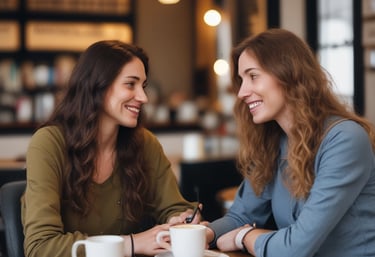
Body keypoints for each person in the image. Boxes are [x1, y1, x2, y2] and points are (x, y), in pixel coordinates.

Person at [21, 40, 200, 257]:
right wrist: (130, 244)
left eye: (142, 86)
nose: (143, 97)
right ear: (98, 84)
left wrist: (179, 221)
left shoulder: (144, 143)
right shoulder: (48, 143)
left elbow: (175, 207)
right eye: (130, 84)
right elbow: (40, 247)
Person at [205, 28, 375, 257]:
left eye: (253, 76)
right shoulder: (273, 141)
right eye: (241, 80)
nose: (242, 92)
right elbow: (241, 216)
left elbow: (296, 247)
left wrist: (244, 237)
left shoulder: (344, 140)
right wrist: (200, 233)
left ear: (288, 74)